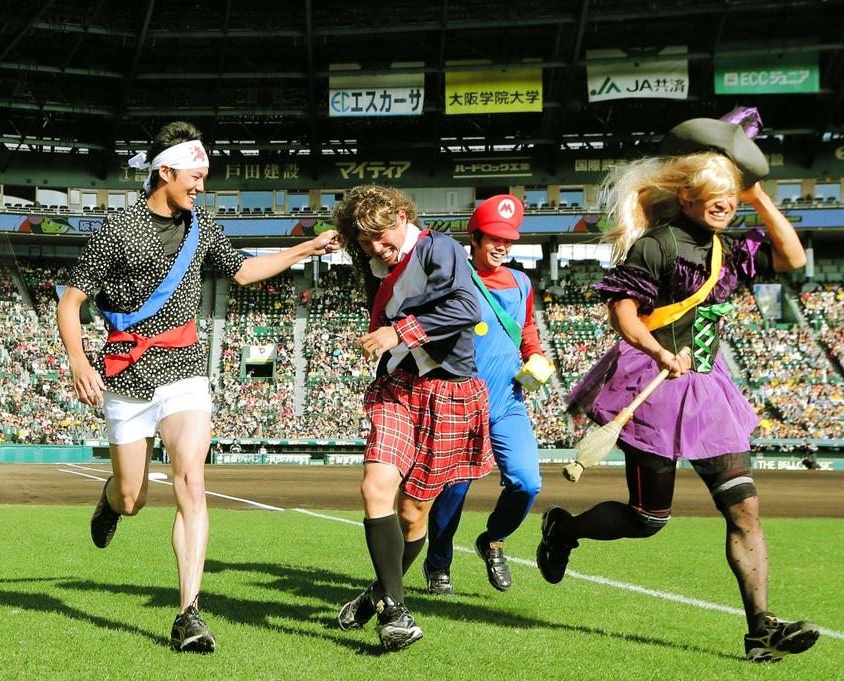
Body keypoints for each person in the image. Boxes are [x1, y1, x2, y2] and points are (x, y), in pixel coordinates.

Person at [537, 109, 820, 662]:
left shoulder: (731, 250)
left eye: (731, 196)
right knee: (648, 521)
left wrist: (758, 196)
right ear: (685, 196)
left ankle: (761, 628)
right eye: (714, 195)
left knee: (744, 510)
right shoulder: (657, 244)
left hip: (710, 391)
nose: (724, 204)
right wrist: (662, 352)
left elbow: (793, 256)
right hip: (655, 385)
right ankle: (564, 529)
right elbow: (624, 316)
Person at [56, 121, 339, 654]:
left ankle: (188, 611)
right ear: (165, 172)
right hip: (126, 376)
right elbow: (70, 303)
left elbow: (245, 271)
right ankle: (110, 503)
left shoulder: (201, 227)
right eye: (196, 176)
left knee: (190, 480)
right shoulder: (116, 230)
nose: (202, 187)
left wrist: (306, 249)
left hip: (185, 370)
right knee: (135, 495)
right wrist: (78, 360)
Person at [330, 185, 493, 652]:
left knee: (411, 513)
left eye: (382, 236)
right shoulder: (373, 264)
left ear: (402, 215)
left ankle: (381, 592)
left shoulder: (437, 247)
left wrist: (396, 330)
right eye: (364, 243)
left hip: (450, 390)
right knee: (374, 487)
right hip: (398, 387)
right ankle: (397, 614)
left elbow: (467, 308)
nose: (376, 248)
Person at [424, 195, 552, 595]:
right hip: (462, 403)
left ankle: (493, 539)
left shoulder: (522, 282)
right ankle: (438, 565)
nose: (501, 247)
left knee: (527, 483)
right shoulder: (453, 278)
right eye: (494, 239)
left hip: (508, 403)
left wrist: (535, 357)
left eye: (508, 241)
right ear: (474, 238)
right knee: (453, 491)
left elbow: (527, 330)